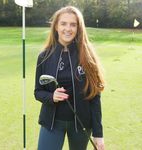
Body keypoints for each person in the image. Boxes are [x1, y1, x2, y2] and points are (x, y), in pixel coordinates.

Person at [34, 6, 105, 150]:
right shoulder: (44, 57)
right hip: (52, 123)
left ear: (79, 28)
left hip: (81, 125)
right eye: (63, 23)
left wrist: (98, 134)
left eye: (73, 24)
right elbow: (38, 92)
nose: (68, 28)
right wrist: (51, 96)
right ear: (56, 27)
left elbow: (95, 97)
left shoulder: (87, 56)